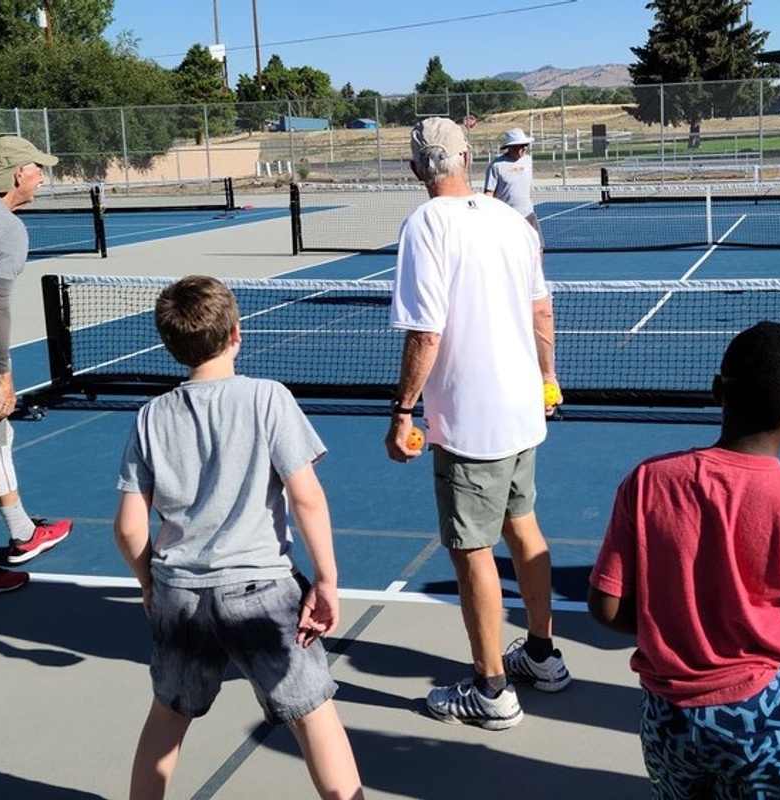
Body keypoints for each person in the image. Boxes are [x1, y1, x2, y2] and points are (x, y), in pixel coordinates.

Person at [588, 321, 780, 799]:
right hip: (762, 715)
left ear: (716, 390)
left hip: (668, 715)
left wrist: (676, 625)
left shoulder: (647, 481)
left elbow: (605, 607)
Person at [113, 275, 364, 799]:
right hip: (261, 590)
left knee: (168, 715)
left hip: (179, 594)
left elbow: (130, 526)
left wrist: (148, 583)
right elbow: (307, 497)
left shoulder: (150, 416)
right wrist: (326, 580)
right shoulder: (268, 398)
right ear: (235, 333)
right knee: (313, 713)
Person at [385, 117, 567, 731]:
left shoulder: (423, 225)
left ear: (416, 169)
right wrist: (547, 378)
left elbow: (426, 331)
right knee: (525, 526)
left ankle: (491, 690)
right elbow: (542, 308)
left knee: (472, 551)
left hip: (469, 422)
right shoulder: (511, 221)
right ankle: (540, 656)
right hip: (522, 409)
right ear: (469, 157)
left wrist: (403, 410)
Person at [0, 136, 73, 596]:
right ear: (18, 173)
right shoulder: (6, 226)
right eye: (38, 168)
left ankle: (23, 534)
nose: (43, 176)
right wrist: (3, 373)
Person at [484, 127, 542, 241]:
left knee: (537, 246)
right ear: (510, 147)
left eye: (525, 145)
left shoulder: (528, 160)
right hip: (506, 217)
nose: (524, 148)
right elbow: (488, 193)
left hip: (528, 213)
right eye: (520, 145)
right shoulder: (496, 165)